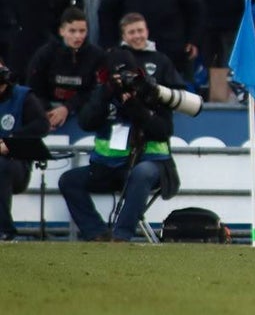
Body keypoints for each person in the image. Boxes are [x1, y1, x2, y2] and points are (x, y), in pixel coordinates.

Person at [58, 30, 182, 242]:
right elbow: (86, 122)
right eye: (118, 77)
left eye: (128, 76)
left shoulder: (152, 91)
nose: (123, 81)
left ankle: (121, 236)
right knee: (69, 180)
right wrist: (107, 93)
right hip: (108, 166)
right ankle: (96, 233)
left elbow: (163, 131)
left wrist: (137, 107)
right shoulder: (103, 93)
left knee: (141, 174)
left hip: (151, 163)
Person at [26, 8, 106, 131]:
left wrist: (67, 108)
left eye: (82, 31)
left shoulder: (97, 56)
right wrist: (47, 112)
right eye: (72, 31)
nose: (78, 36)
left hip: (82, 110)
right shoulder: (45, 54)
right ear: (62, 31)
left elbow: (96, 91)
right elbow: (33, 88)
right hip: (48, 108)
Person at [0, 60, 49, 241]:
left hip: (15, 164)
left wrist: (11, 140)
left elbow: (42, 125)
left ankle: (5, 231)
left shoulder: (23, 96)